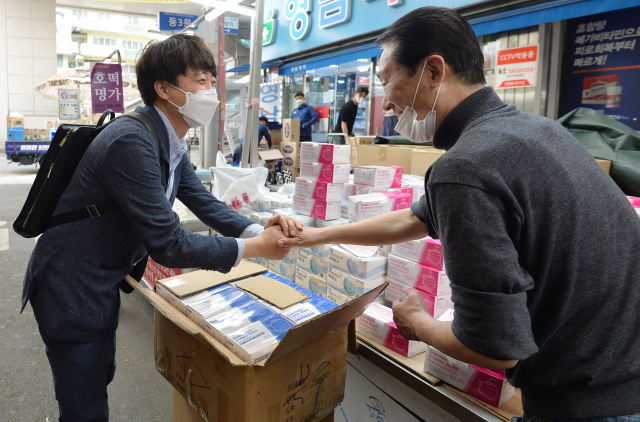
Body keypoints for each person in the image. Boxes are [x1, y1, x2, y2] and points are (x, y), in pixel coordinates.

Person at [278, 7, 640, 421]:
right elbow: (410, 219)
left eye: (387, 80)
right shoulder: (537, 131)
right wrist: (314, 236)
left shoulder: (465, 167)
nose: (386, 99)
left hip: (588, 404)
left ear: (433, 71)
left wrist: (417, 323)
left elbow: (493, 346)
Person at [21, 34, 301, 422]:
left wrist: (255, 230)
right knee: (84, 400)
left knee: (99, 373)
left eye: (211, 80)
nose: (211, 91)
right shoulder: (131, 141)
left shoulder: (167, 139)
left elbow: (200, 200)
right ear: (164, 88)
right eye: (199, 80)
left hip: (100, 274)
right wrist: (255, 250)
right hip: (72, 283)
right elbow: (169, 244)